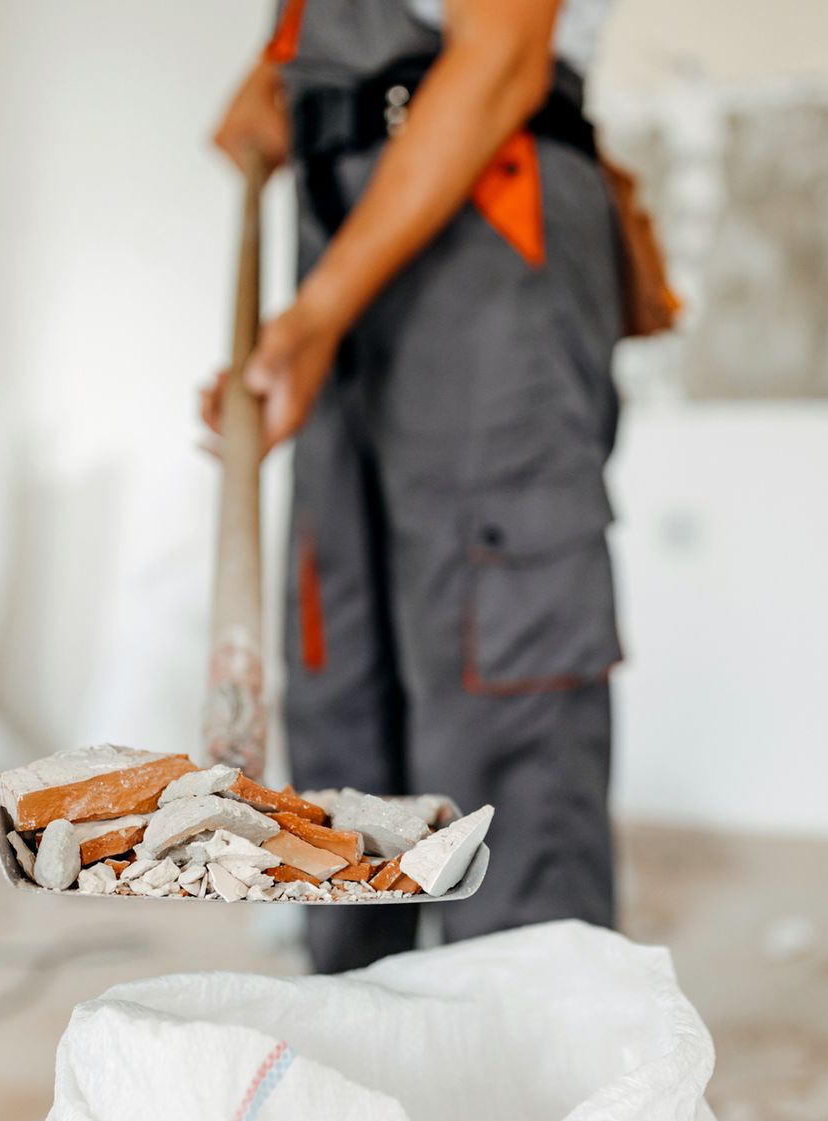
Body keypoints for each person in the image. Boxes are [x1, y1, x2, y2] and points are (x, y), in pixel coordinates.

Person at [200, 0, 624, 973]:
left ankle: (531, 1075)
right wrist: (285, 76)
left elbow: (503, 54)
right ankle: (367, 1055)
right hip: (343, 225)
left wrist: (314, 318)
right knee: (343, 678)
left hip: (484, 208)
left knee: (496, 685)